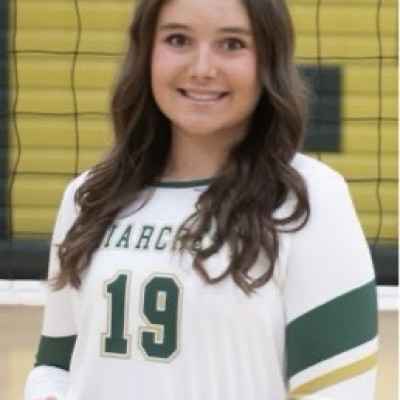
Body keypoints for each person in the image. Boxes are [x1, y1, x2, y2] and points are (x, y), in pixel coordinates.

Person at [25, 0, 378, 398]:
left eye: (232, 44)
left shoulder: (309, 198)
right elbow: (54, 367)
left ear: (269, 59)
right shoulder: (89, 197)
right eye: (178, 40)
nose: (202, 68)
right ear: (147, 53)